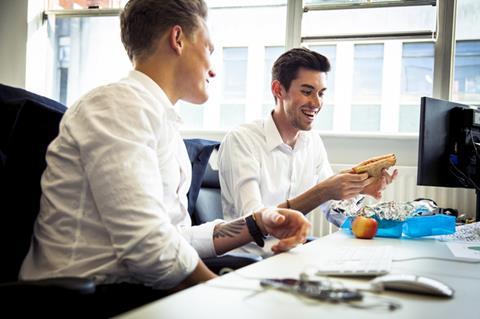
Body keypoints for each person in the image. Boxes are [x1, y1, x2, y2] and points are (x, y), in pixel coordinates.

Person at [19, 0, 311, 292]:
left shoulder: (161, 120)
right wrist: (224, 296)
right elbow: (149, 246)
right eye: (209, 49)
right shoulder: (117, 105)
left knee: (283, 283)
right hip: (87, 294)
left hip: (134, 282)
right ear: (178, 39)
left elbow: (174, 238)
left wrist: (258, 223)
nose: (213, 70)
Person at [218, 48, 398, 257]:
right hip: (251, 259)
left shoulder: (312, 141)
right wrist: (322, 191)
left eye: (321, 93)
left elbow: (335, 212)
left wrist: (359, 188)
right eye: (307, 91)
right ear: (278, 90)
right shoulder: (242, 140)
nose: (317, 102)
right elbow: (254, 223)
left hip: (294, 254)